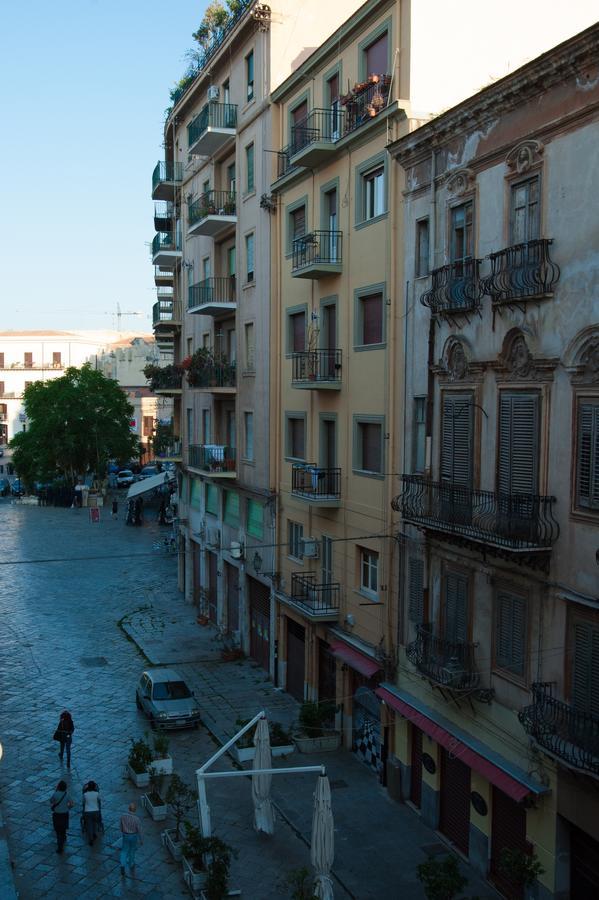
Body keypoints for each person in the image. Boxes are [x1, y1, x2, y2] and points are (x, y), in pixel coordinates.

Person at [50, 779, 74, 853]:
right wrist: (68, 808)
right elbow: (72, 804)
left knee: (58, 830)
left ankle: (60, 846)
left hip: (57, 814)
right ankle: (63, 837)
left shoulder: (56, 794)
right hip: (64, 813)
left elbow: (51, 801)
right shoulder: (67, 794)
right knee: (63, 828)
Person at [120, 802, 143, 876]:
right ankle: (131, 863)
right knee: (132, 849)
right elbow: (139, 830)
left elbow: (120, 826)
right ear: (135, 810)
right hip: (133, 836)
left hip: (125, 835)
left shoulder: (123, 816)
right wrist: (141, 839)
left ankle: (122, 865)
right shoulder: (137, 819)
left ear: (128, 808)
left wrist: (123, 831)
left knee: (124, 850)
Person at [82, 781, 102, 846]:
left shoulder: (85, 794)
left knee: (89, 824)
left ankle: (91, 838)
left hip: (88, 811)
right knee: (94, 823)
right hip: (96, 811)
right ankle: (94, 833)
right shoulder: (97, 793)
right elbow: (99, 801)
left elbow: (83, 803)